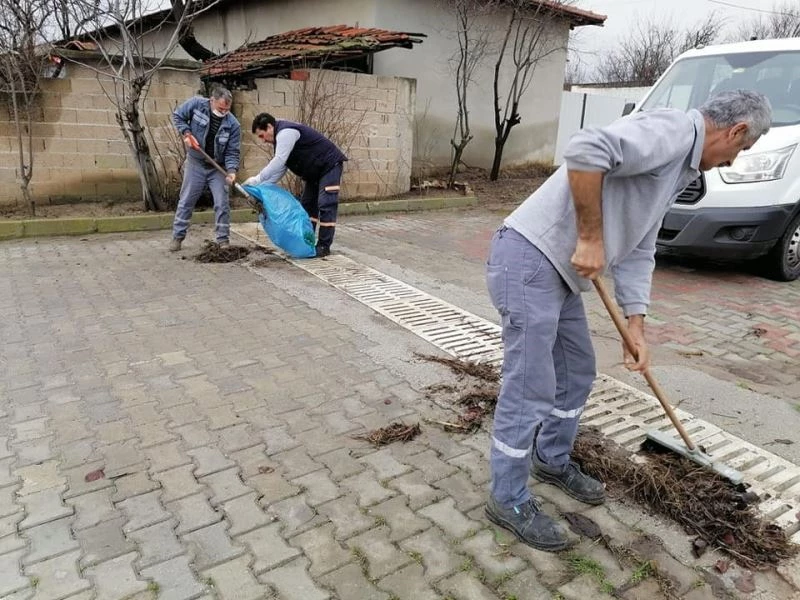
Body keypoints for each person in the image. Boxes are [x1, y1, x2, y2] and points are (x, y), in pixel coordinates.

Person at [484, 90, 772, 551]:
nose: (733, 161)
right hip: (529, 260)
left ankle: (551, 459)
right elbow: (585, 151)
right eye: (742, 149)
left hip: (556, 274)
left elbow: (640, 245)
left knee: (577, 372)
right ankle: (507, 497)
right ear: (735, 130)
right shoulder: (674, 131)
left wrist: (636, 323)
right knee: (530, 386)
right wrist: (590, 238)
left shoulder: (679, 169)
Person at [244, 113, 347, 258]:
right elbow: (281, 169)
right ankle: (306, 242)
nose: (263, 140)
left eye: (262, 136)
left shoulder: (286, 133)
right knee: (307, 206)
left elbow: (279, 161)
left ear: (269, 127)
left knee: (326, 204)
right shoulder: (279, 139)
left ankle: (324, 246)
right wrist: (260, 187)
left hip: (329, 166)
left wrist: (258, 178)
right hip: (314, 173)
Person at [169, 87, 241, 251]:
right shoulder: (196, 104)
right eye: (220, 109)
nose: (223, 112)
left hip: (217, 167)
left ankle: (223, 240)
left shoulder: (233, 125)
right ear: (212, 100)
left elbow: (232, 152)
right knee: (186, 200)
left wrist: (231, 171)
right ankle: (177, 237)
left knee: (222, 203)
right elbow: (178, 115)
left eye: (227, 110)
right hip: (195, 163)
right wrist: (187, 133)